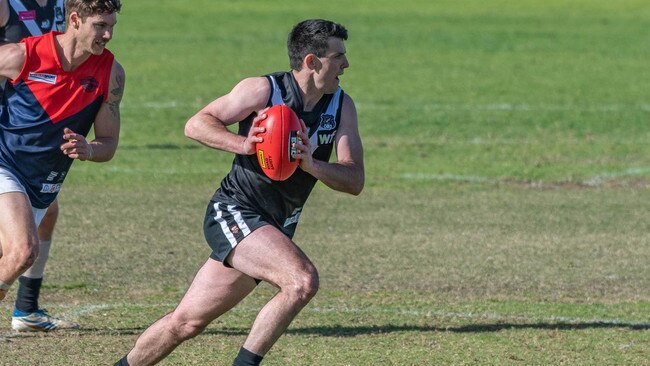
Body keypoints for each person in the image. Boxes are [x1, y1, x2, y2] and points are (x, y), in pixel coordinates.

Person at [114, 18, 364, 366]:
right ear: (311, 61)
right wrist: (244, 144)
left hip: (273, 227)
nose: (346, 65)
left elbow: (354, 180)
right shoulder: (263, 90)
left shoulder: (340, 106)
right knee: (301, 281)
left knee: (185, 323)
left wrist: (312, 165)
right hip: (235, 211)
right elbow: (196, 124)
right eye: (338, 56)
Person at [0, 0, 124, 334]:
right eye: (100, 25)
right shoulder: (22, 56)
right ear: (74, 20)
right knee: (24, 250)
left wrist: (89, 149)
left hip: (43, 181)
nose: (108, 34)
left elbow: (109, 143)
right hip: (4, 164)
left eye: (112, 25)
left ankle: (25, 310)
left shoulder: (111, 73)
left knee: (11, 253)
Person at [0, 0, 72, 333]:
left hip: (32, 123)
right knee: (17, 240)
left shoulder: (63, 4)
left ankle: (26, 309)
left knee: (47, 213)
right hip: (8, 123)